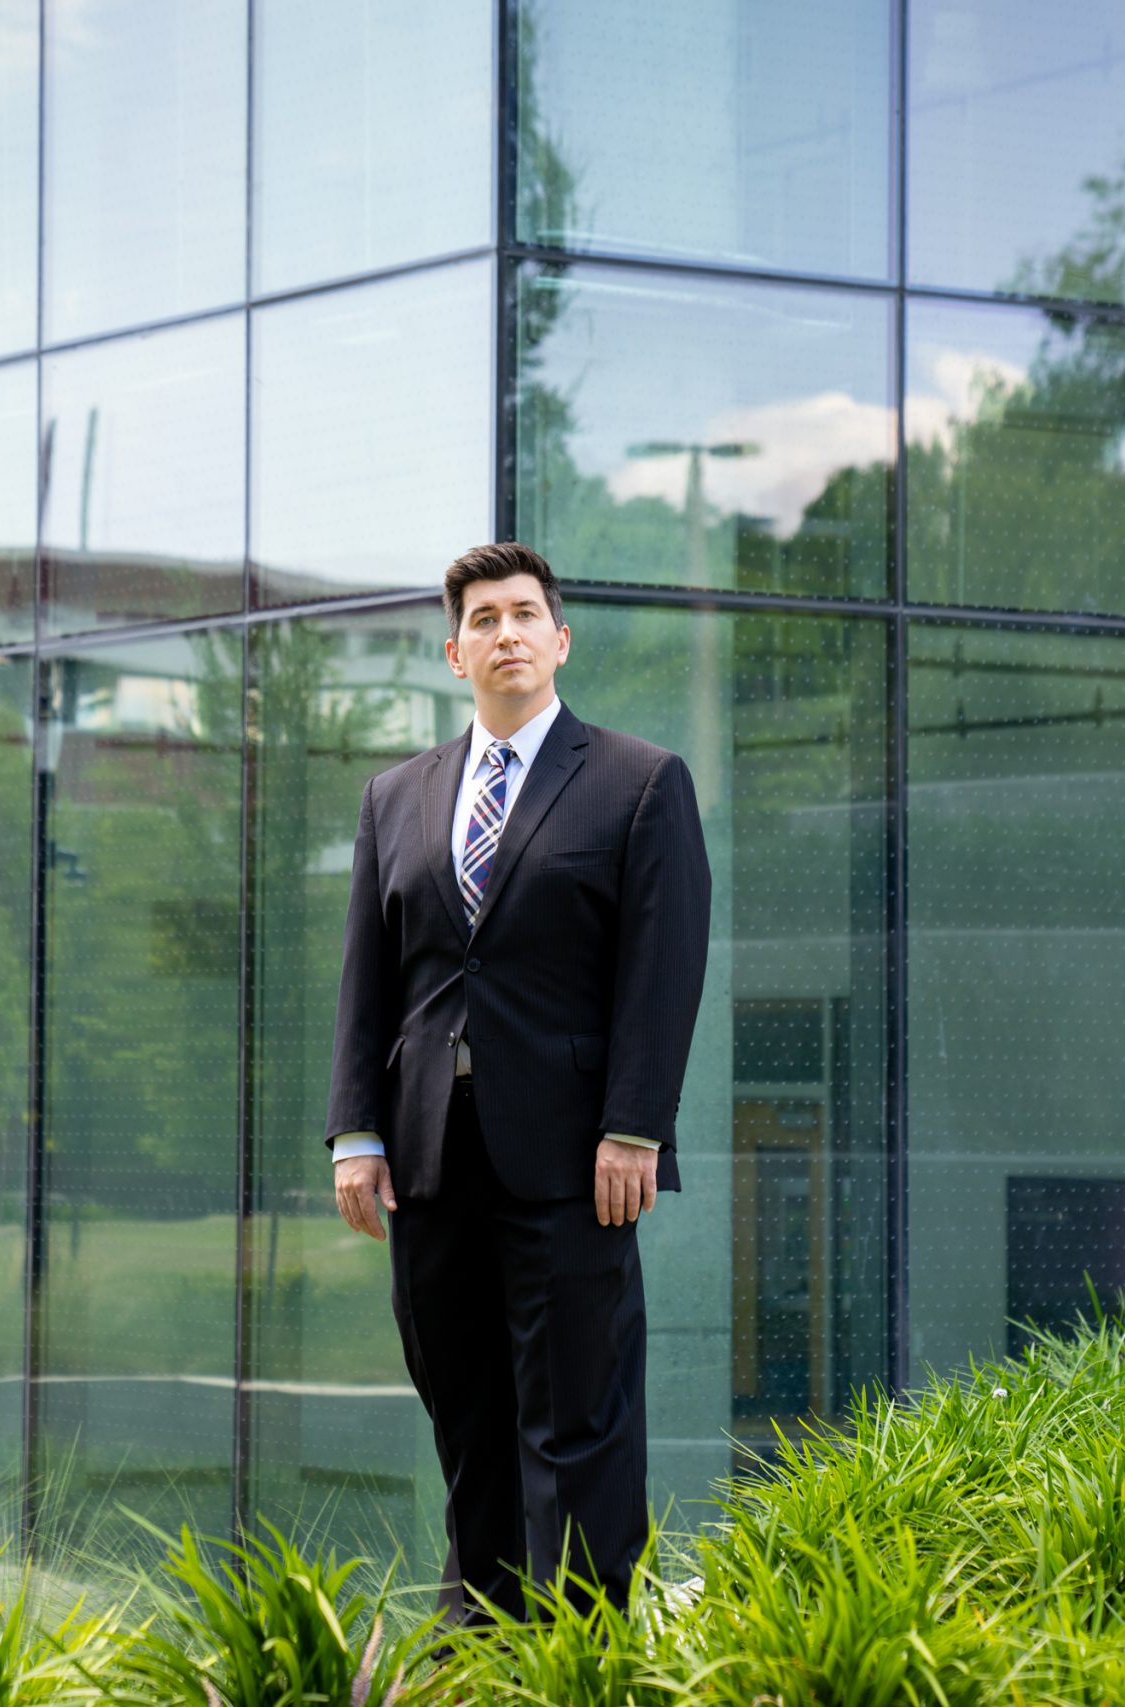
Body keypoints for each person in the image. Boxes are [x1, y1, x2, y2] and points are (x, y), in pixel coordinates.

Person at [324, 540, 712, 1623]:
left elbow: (662, 971)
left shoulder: (638, 783)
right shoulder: (395, 797)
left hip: (575, 1158)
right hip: (430, 1159)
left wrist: (634, 1126)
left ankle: (579, 1646)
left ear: (560, 640)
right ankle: (476, 1644)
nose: (507, 634)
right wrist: (355, 1130)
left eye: (524, 614)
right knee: (466, 1409)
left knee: (575, 1415)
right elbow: (369, 979)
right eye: (484, 620)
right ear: (455, 654)